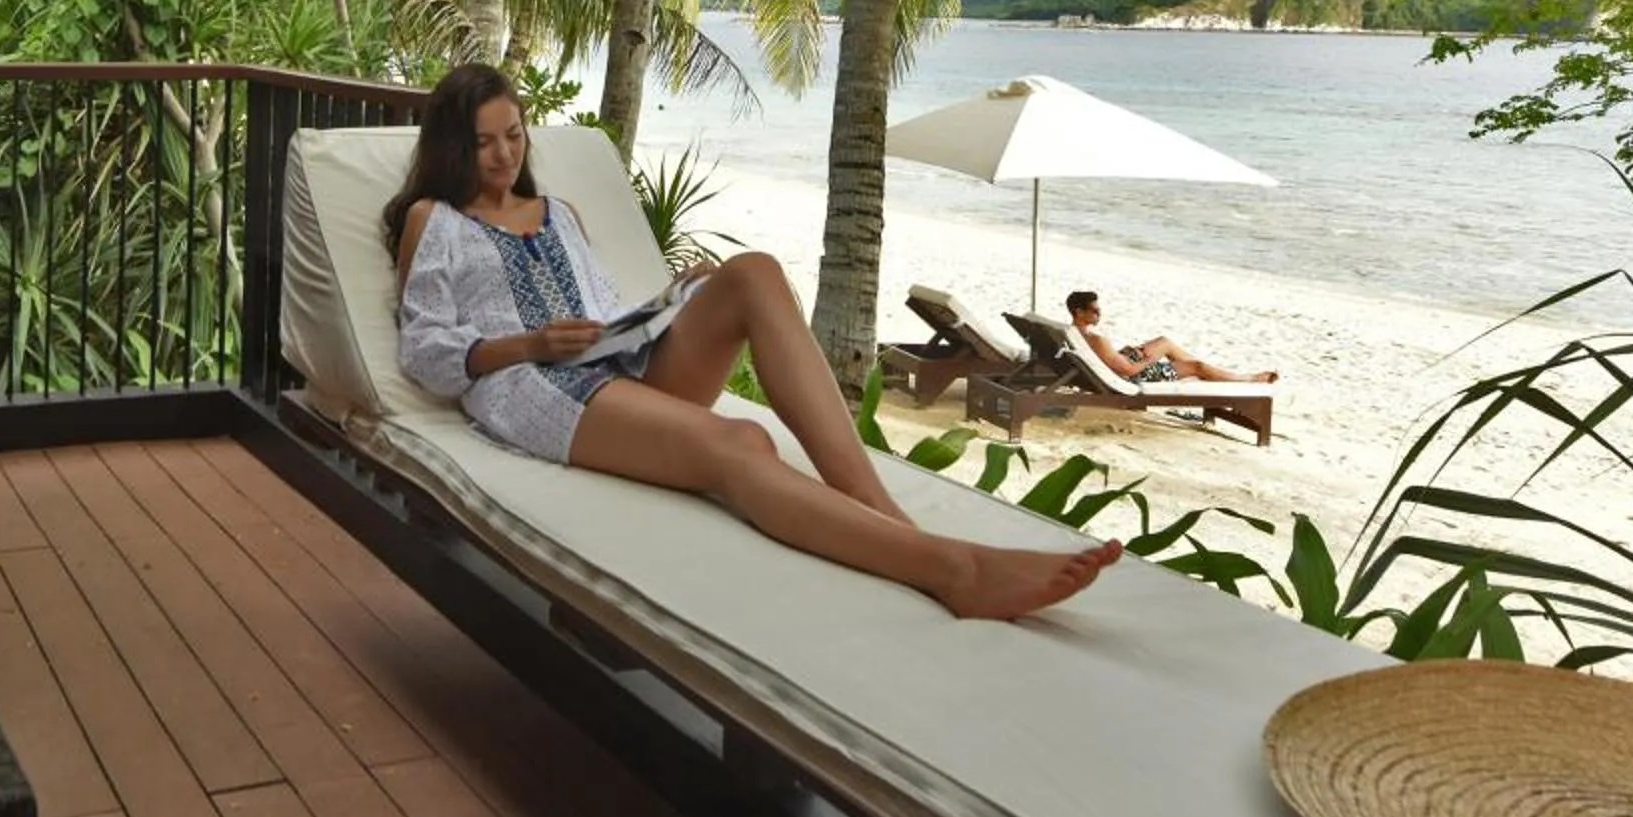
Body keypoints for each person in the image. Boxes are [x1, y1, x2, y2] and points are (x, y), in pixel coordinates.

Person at [387, 63, 1120, 620]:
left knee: (752, 274)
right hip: (538, 387)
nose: (503, 156)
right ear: (454, 147)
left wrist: (672, 301)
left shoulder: (559, 211)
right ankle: (950, 570)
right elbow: (425, 353)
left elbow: (605, 314)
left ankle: (880, 513)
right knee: (741, 443)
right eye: (483, 143)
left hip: (617, 364)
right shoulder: (436, 220)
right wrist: (527, 345)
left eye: (513, 135)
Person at [1063, 290, 1276, 385]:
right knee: (1197, 366)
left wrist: (1129, 353)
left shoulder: (1074, 333)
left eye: (1099, 310)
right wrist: (1149, 360)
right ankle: (1245, 379)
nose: (1099, 314)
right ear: (1079, 312)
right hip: (1135, 375)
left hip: (1122, 365)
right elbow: (1126, 371)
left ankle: (1204, 373)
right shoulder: (1097, 339)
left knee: (1165, 342)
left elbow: (1110, 361)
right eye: (1094, 311)